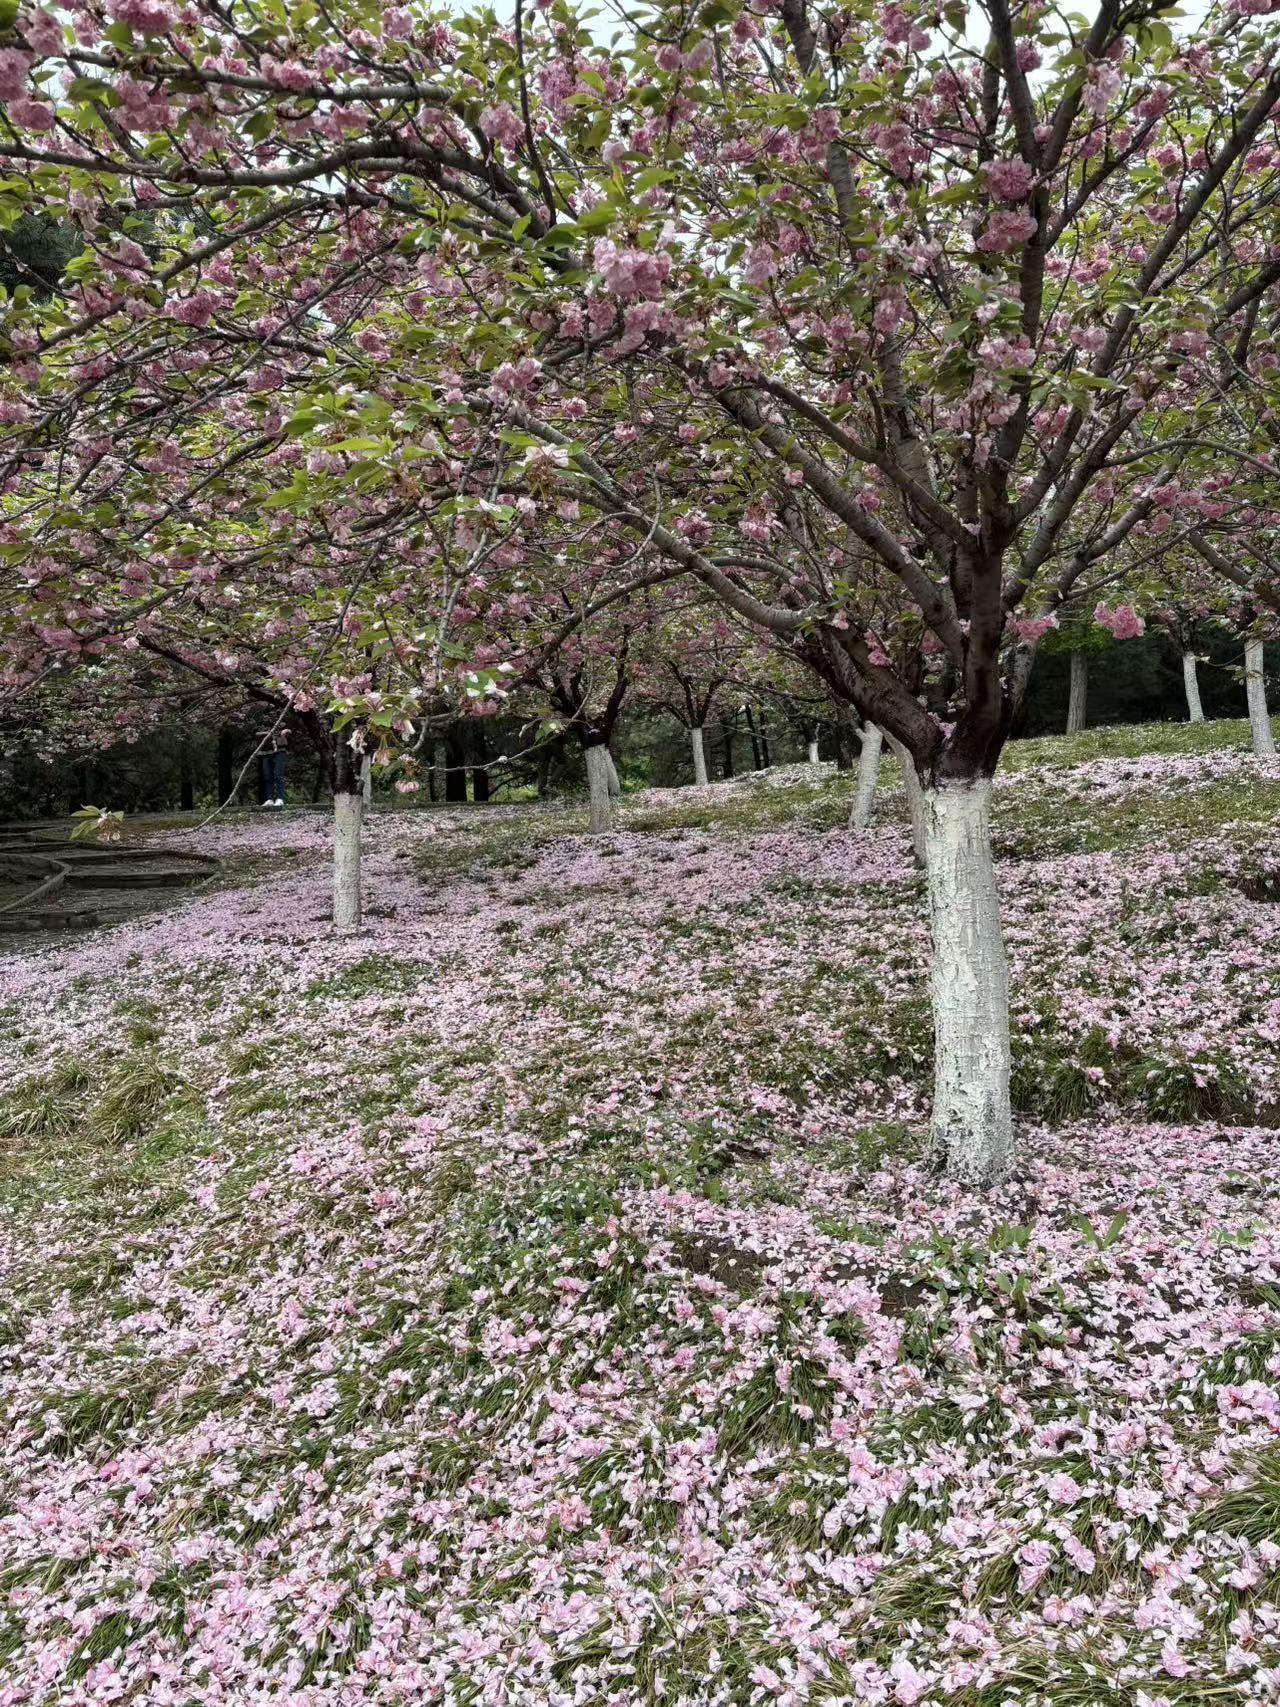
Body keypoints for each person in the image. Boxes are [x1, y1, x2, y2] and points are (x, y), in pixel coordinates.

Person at [257, 726, 288, 807]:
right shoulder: (259, 719)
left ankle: (280, 798)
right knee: (267, 775)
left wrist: (283, 732)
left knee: (279, 774)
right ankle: (269, 798)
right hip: (265, 749)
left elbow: (288, 730)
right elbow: (256, 732)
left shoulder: (282, 716)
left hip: (279, 748)